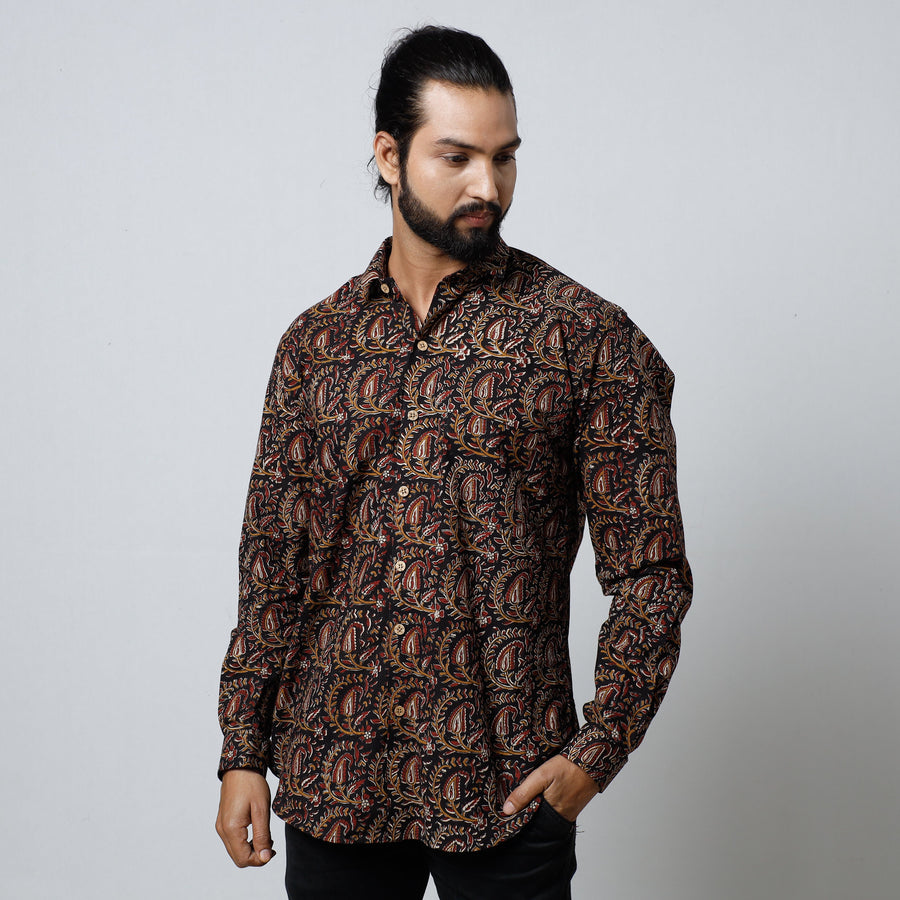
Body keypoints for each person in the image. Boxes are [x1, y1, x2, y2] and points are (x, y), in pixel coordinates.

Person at [215, 25, 692, 900]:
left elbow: (652, 572)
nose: (488, 187)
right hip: (334, 781)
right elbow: (273, 560)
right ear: (388, 156)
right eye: (458, 157)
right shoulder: (315, 346)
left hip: (507, 787)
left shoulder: (586, 339)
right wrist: (242, 749)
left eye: (505, 158)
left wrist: (595, 752)